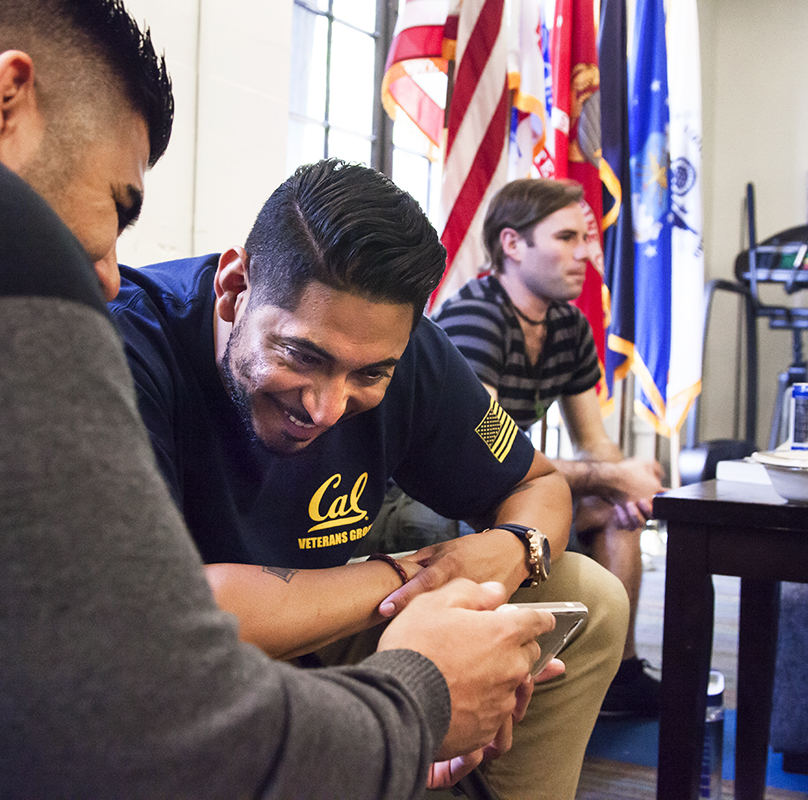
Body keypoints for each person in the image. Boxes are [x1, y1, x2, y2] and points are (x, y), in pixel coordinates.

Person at [0, 2, 562, 798]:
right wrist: (422, 692)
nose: (108, 275)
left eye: (367, 373)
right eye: (117, 206)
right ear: (5, 108)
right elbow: (166, 745)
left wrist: (513, 550)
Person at [109, 159, 630, 799]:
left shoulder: (410, 351)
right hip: (170, 662)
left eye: (368, 375)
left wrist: (516, 545)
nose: (325, 408)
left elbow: (539, 481)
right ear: (234, 286)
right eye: (303, 355)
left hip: (318, 620)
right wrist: (418, 578)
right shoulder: (122, 349)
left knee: (588, 597)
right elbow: (167, 610)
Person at [430, 177, 665, 717]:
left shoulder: (568, 324)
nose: (586, 253)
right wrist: (610, 475)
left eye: (586, 238)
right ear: (511, 245)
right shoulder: (478, 317)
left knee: (614, 510)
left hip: (501, 475)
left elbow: (595, 442)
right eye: (566, 238)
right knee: (601, 490)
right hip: (433, 486)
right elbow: (481, 446)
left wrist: (625, 476)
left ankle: (617, 674)